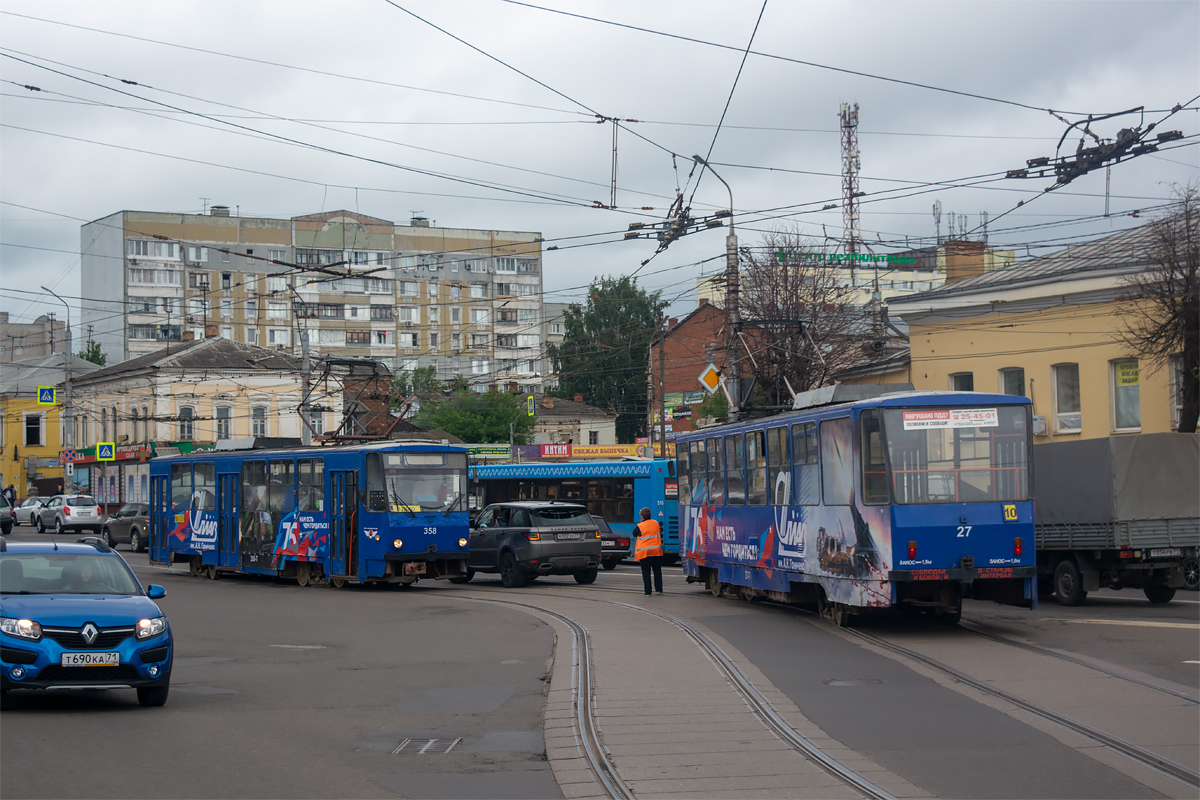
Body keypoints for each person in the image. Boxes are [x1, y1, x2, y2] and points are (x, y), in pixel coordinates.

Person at [633, 506, 665, 596]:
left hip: (645, 553)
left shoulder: (640, 526)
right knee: (657, 570)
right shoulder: (656, 523)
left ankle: (648, 591)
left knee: (646, 572)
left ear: (642, 516)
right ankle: (659, 589)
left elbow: (634, 533)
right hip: (656, 551)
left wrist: (641, 523)